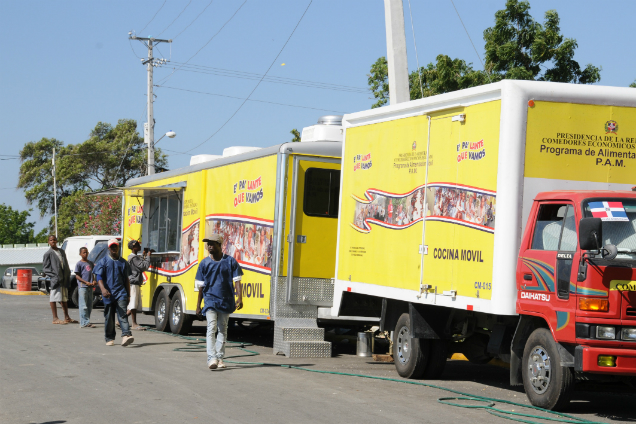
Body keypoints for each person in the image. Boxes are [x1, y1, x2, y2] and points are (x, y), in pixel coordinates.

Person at [195, 231, 243, 370]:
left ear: (220, 245)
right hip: (210, 300)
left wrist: (240, 297)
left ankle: (220, 358)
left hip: (226, 300)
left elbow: (237, 281)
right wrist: (198, 305)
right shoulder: (204, 263)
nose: (209, 246)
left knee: (223, 328)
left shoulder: (230, 261)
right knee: (211, 327)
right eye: (208, 244)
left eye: (212, 244)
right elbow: (200, 287)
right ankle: (212, 358)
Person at [94, 239, 134, 346]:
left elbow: (126, 279)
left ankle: (126, 335)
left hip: (121, 292)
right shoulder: (103, 261)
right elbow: (99, 277)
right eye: (112, 247)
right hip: (108, 294)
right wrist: (103, 289)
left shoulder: (123, 262)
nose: (114, 248)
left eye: (115, 246)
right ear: (109, 248)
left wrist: (128, 294)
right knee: (109, 317)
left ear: (118, 247)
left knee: (122, 314)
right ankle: (109, 338)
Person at [42, 235, 76, 325]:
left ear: (56, 241)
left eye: (54, 240)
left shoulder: (61, 251)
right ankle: (55, 318)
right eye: (51, 240)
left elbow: (65, 264)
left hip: (64, 279)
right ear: (48, 242)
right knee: (53, 298)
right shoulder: (48, 254)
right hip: (56, 280)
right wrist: (54, 276)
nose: (53, 241)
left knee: (64, 298)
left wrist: (67, 274)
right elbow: (45, 268)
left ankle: (67, 317)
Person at [127, 240, 151, 330]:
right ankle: (134, 324)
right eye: (137, 245)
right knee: (133, 304)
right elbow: (143, 266)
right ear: (133, 248)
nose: (140, 246)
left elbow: (139, 264)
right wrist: (148, 256)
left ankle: (121, 320)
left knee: (133, 304)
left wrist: (143, 255)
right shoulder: (134, 258)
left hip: (133, 282)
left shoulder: (133, 257)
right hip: (134, 283)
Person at [74, 247, 96, 328]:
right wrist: (85, 282)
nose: (85, 254)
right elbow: (77, 276)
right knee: (83, 305)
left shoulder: (90, 263)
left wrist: (94, 281)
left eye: (86, 252)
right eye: (83, 252)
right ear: (80, 254)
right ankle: (84, 322)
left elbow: (92, 274)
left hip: (90, 287)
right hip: (83, 286)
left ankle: (86, 321)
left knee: (89, 305)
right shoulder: (79, 264)